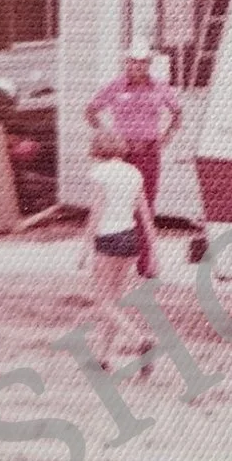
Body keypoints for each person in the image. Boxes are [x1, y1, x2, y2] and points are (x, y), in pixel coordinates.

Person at [84, 39, 183, 276]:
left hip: (148, 153)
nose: (137, 67)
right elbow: (91, 111)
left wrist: (166, 137)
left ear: (148, 64)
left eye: (142, 63)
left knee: (145, 204)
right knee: (111, 202)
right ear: (126, 63)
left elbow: (177, 112)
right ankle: (103, 259)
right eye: (132, 62)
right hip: (122, 153)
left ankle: (146, 263)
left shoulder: (160, 87)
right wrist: (107, 137)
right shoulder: (116, 86)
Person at [83, 127, 156, 377]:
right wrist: (153, 250)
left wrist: (84, 246)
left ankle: (140, 340)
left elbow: (97, 211)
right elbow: (144, 213)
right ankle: (103, 358)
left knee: (102, 301)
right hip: (130, 239)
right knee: (114, 302)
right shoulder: (134, 173)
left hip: (108, 238)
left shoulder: (99, 173)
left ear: (97, 149)